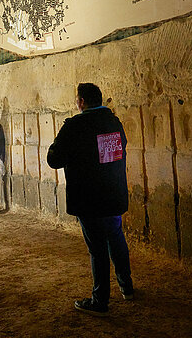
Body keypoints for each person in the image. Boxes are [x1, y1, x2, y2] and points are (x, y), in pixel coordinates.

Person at [47, 83, 134, 316]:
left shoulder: (74, 126)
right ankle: (127, 287)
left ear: (82, 101)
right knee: (116, 238)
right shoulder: (113, 122)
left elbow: (54, 159)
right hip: (113, 194)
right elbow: (118, 151)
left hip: (89, 197)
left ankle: (100, 300)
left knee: (97, 248)